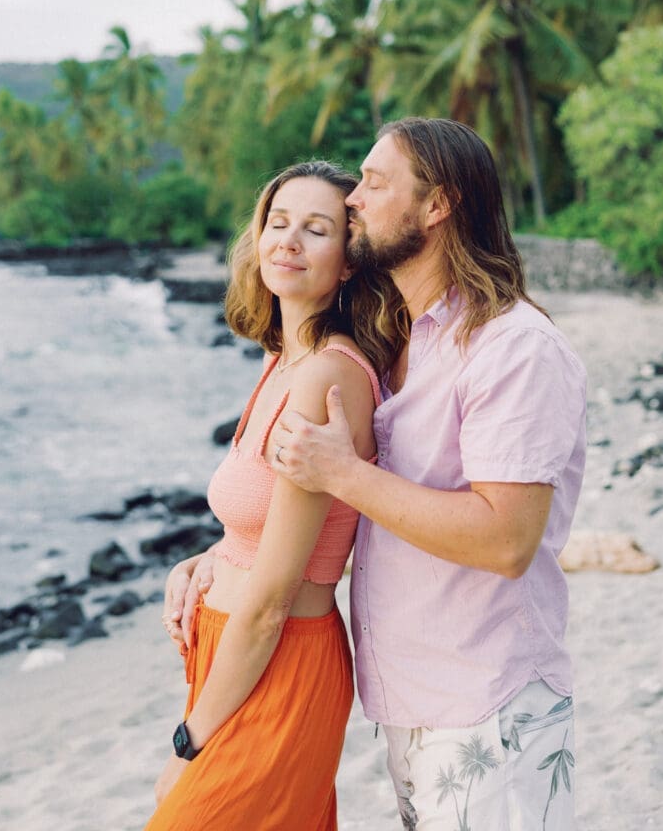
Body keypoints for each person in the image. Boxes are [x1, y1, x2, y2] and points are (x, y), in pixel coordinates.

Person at [273, 119, 588, 830]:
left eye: (376, 183)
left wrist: (341, 472)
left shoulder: (513, 349)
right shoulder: (404, 341)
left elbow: (506, 539)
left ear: (437, 205)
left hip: (488, 699)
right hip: (413, 698)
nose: (353, 198)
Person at [145, 160, 405, 831]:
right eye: (277, 222)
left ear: (348, 261)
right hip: (231, 654)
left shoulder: (324, 375)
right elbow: (267, 525)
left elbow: (271, 598)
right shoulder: (282, 359)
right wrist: (209, 559)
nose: (287, 241)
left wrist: (188, 744)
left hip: (277, 657)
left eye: (315, 229)